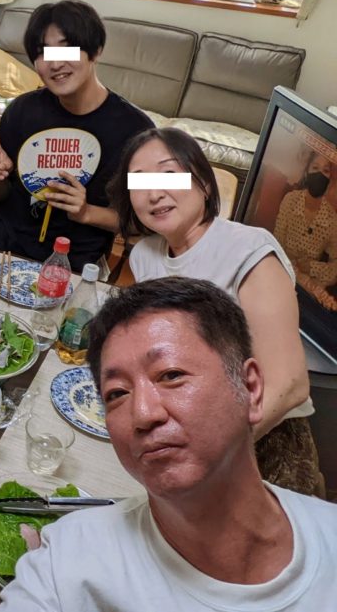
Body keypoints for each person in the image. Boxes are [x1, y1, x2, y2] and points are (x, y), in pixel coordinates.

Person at [0, 278, 337, 611]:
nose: (143, 414)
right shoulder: (66, 563)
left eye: (171, 375)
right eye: (117, 393)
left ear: (250, 389)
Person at [108, 127, 323, 496]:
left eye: (169, 175)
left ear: (204, 184)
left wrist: (212, 455)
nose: (154, 193)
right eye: (139, 183)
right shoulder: (145, 257)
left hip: (263, 438)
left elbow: (290, 384)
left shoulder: (249, 249)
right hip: (179, 421)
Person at [0, 0, 153, 271]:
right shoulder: (22, 111)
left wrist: (87, 212)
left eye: (67, 49)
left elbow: (147, 220)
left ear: (96, 50)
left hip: (71, 260)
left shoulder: (136, 131)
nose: (54, 63)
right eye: (42, 53)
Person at [274, 151, 337, 309]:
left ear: (330, 179)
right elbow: (277, 244)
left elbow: (335, 268)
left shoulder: (332, 219)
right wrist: (298, 275)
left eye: (325, 170)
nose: (320, 174)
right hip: (280, 274)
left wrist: (312, 268)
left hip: (310, 294)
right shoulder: (291, 200)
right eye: (315, 167)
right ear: (307, 171)